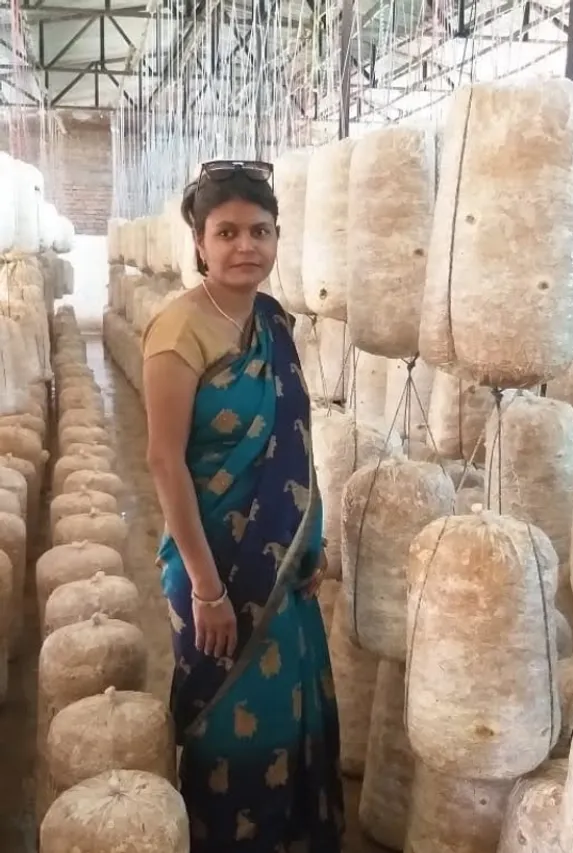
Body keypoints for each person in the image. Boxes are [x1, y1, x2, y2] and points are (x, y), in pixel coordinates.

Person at [141, 159, 344, 851]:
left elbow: (294, 444)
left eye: (260, 230)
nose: (245, 245)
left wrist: (308, 545)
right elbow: (164, 462)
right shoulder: (178, 331)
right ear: (199, 241)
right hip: (211, 566)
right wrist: (205, 587)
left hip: (281, 564)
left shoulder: (275, 325)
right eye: (226, 231)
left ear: (278, 238)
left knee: (287, 714)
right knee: (227, 727)